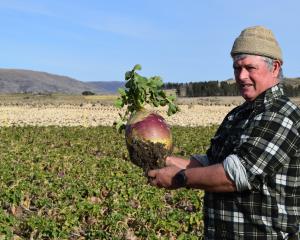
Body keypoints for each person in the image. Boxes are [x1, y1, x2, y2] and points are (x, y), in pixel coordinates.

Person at [148, 26, 300, 239]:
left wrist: (179, 178)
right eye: (237, 68)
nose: (241, 76)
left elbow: (235, 174)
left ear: (275, 67)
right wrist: (163, 159)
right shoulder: (238, 114)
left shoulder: (281, 114)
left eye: (250, 68)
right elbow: (212, 163)